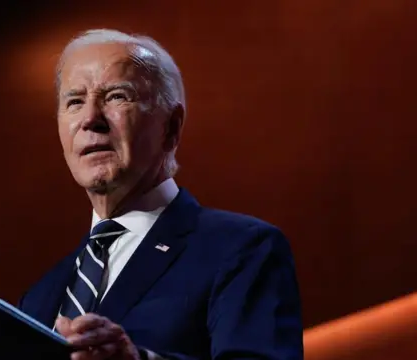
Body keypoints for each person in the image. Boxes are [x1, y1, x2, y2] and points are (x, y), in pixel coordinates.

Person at [18, 29, 304, 360]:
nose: (90, 119)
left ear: (171, 127)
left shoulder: (242, 249)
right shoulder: (39, 298)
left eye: (116, 96)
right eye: (75, 101)